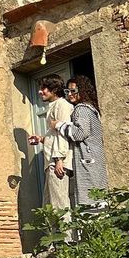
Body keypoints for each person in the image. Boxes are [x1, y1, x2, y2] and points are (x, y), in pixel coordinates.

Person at [52, 75, 107, 207]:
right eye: (67, 91)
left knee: (88, 201)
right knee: (99, 199)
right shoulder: (92, 109)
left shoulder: (81, 109)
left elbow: (79, 133)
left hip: (87, 160)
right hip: (95, 160)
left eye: (73, 91)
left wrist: (59, 125)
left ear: (82, 90)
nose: (70, 94)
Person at [27, 74, 73, 215]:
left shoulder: (62, 105)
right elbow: (54, 136)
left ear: (54, 89)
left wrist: (59, 159)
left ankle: (67, 231)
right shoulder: (54, 106)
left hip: (57, 162)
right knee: (50, 208)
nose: (40, 91)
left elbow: (63, 133)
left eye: (44, 88)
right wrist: (41, 139)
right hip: (52, 162)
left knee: (60, 206)